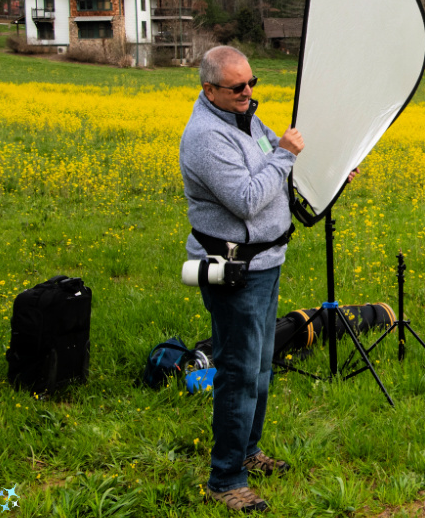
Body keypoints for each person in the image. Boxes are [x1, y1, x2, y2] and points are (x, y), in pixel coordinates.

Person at [179, 45, 303, 513]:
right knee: (238, 372)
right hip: (234, 271)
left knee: (262, 367)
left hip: (266, 262)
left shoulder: (247, 119)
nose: (249, 93)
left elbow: (279, 166)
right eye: (237, 87)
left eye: (251, 83)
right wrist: (286, 156)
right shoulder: (205, 138)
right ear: (208, 89)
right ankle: (225, 478)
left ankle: (249, 452)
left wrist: (327, 177)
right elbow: (249, 198)